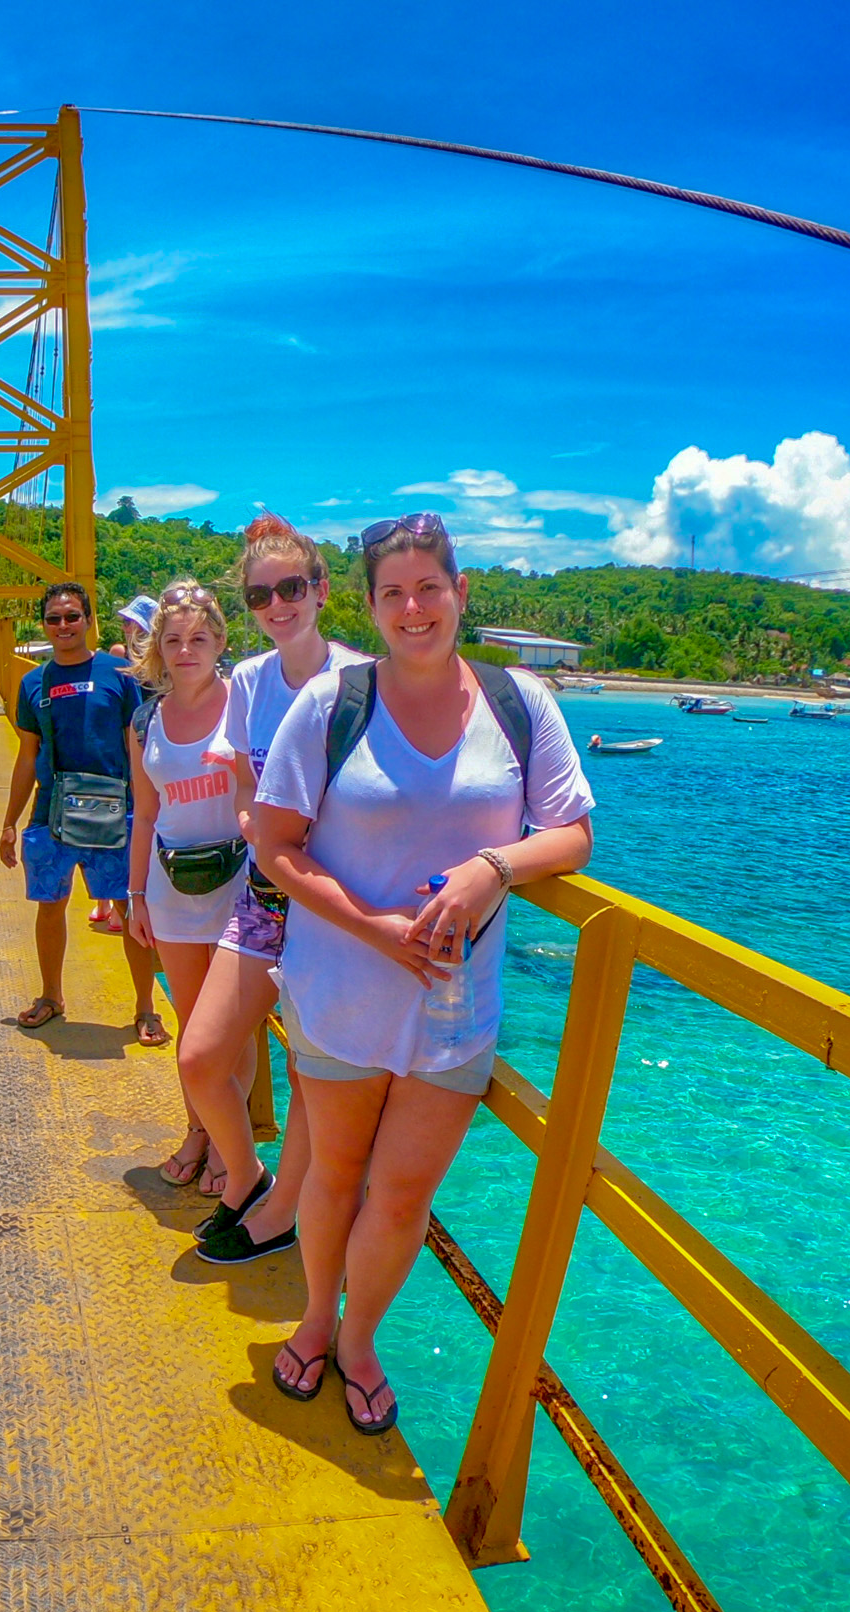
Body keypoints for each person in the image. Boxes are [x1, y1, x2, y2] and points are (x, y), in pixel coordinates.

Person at [250, 512, 596, 1435]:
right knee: (333, 1177)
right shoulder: (330, 706)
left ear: (460, 593)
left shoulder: (519, 702)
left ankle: (360, 1338)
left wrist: (496, 867)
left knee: (401, 1196)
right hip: (337, 990)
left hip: (456, 1007)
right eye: (393, 592)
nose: (413, 608)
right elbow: (274, 843)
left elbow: (572, 832)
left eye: (429, 588)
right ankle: (317, 1318)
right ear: (367, 605)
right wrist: (371, 924)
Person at [175, 513, 370, 1254]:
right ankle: (250, 1176)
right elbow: (250, 792)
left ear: (320, 590)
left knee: (304, 1064)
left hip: (327, 903)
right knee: (200, 1055)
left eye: (292, 587)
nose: (278, 605)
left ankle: (282, 1209)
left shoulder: (357, 679)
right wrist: (257, 817)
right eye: (261, 595)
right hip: (262, 896)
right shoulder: (251, 682)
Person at [124, 583, 248, 1191]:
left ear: (220, 642)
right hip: (171, 884)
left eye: (199, 638)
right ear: (159, 650)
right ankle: (198, 1131)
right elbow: (144, 814)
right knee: (191, 1018)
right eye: (173, 640)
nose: (186, 649)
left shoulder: (245, 708)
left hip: (239, 884)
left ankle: (229, 1144)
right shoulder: (145, 720)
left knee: (231, 1027)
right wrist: (135, 896)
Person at [0, 581, 162, 1037]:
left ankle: (145, 1007)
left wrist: (151, 809)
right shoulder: (33, 683)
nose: (64, 625)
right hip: (50, 813)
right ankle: (51, 995)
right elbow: (27, 755)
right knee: (50, 905)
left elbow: (141, 748)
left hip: (118, 812)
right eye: (54, 618)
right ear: (44, 625)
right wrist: (9, 822)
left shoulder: (123, 676)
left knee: (131, 910)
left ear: (89, 620)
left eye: (73, 616)